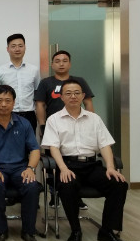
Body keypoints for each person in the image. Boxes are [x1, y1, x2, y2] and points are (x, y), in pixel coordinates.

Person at [41, 79, 131, 241]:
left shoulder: (94, 119)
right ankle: (76, 231)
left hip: (91, 166)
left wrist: (110, 167)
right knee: (67, 185)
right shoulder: (54, 119)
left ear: (83, 96)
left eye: (77, 93)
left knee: (119, 184)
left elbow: (105, 144)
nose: (73, 96)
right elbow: (53, 147)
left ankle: (107, 231)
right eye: (68, 93)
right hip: (68, 165)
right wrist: (63, 168)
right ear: (61, 97)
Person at [0, 84, 41, 241]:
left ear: (14, 102)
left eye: (7, 100)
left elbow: (34, 149)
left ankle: (28, 231)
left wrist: (30, 169)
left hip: (20, 168)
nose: (3, 104)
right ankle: (0, 230)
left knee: (32, 186)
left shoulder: (24, 123)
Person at [35, 49, 95, 209]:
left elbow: (88, 103)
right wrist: (42, 125)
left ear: (70, 63)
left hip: (77, 127)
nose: (61, 64)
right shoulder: (46, 83)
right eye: (57, 61)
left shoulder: (79, 81)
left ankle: (77, 196)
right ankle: (54, 194)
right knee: (53, 163)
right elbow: (40, 105)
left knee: (77, 160)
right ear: (52, 64)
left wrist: (90, 122)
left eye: (65, 61)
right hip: (54, 128)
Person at [0, 34, 40, 132]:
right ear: (8, 49)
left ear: (25, 48)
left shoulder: (34, 70)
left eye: (20, 46)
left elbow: (37, 92)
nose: (17, 49)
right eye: (13, 46)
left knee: (29, 141)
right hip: (7, 114)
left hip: (29, 115)